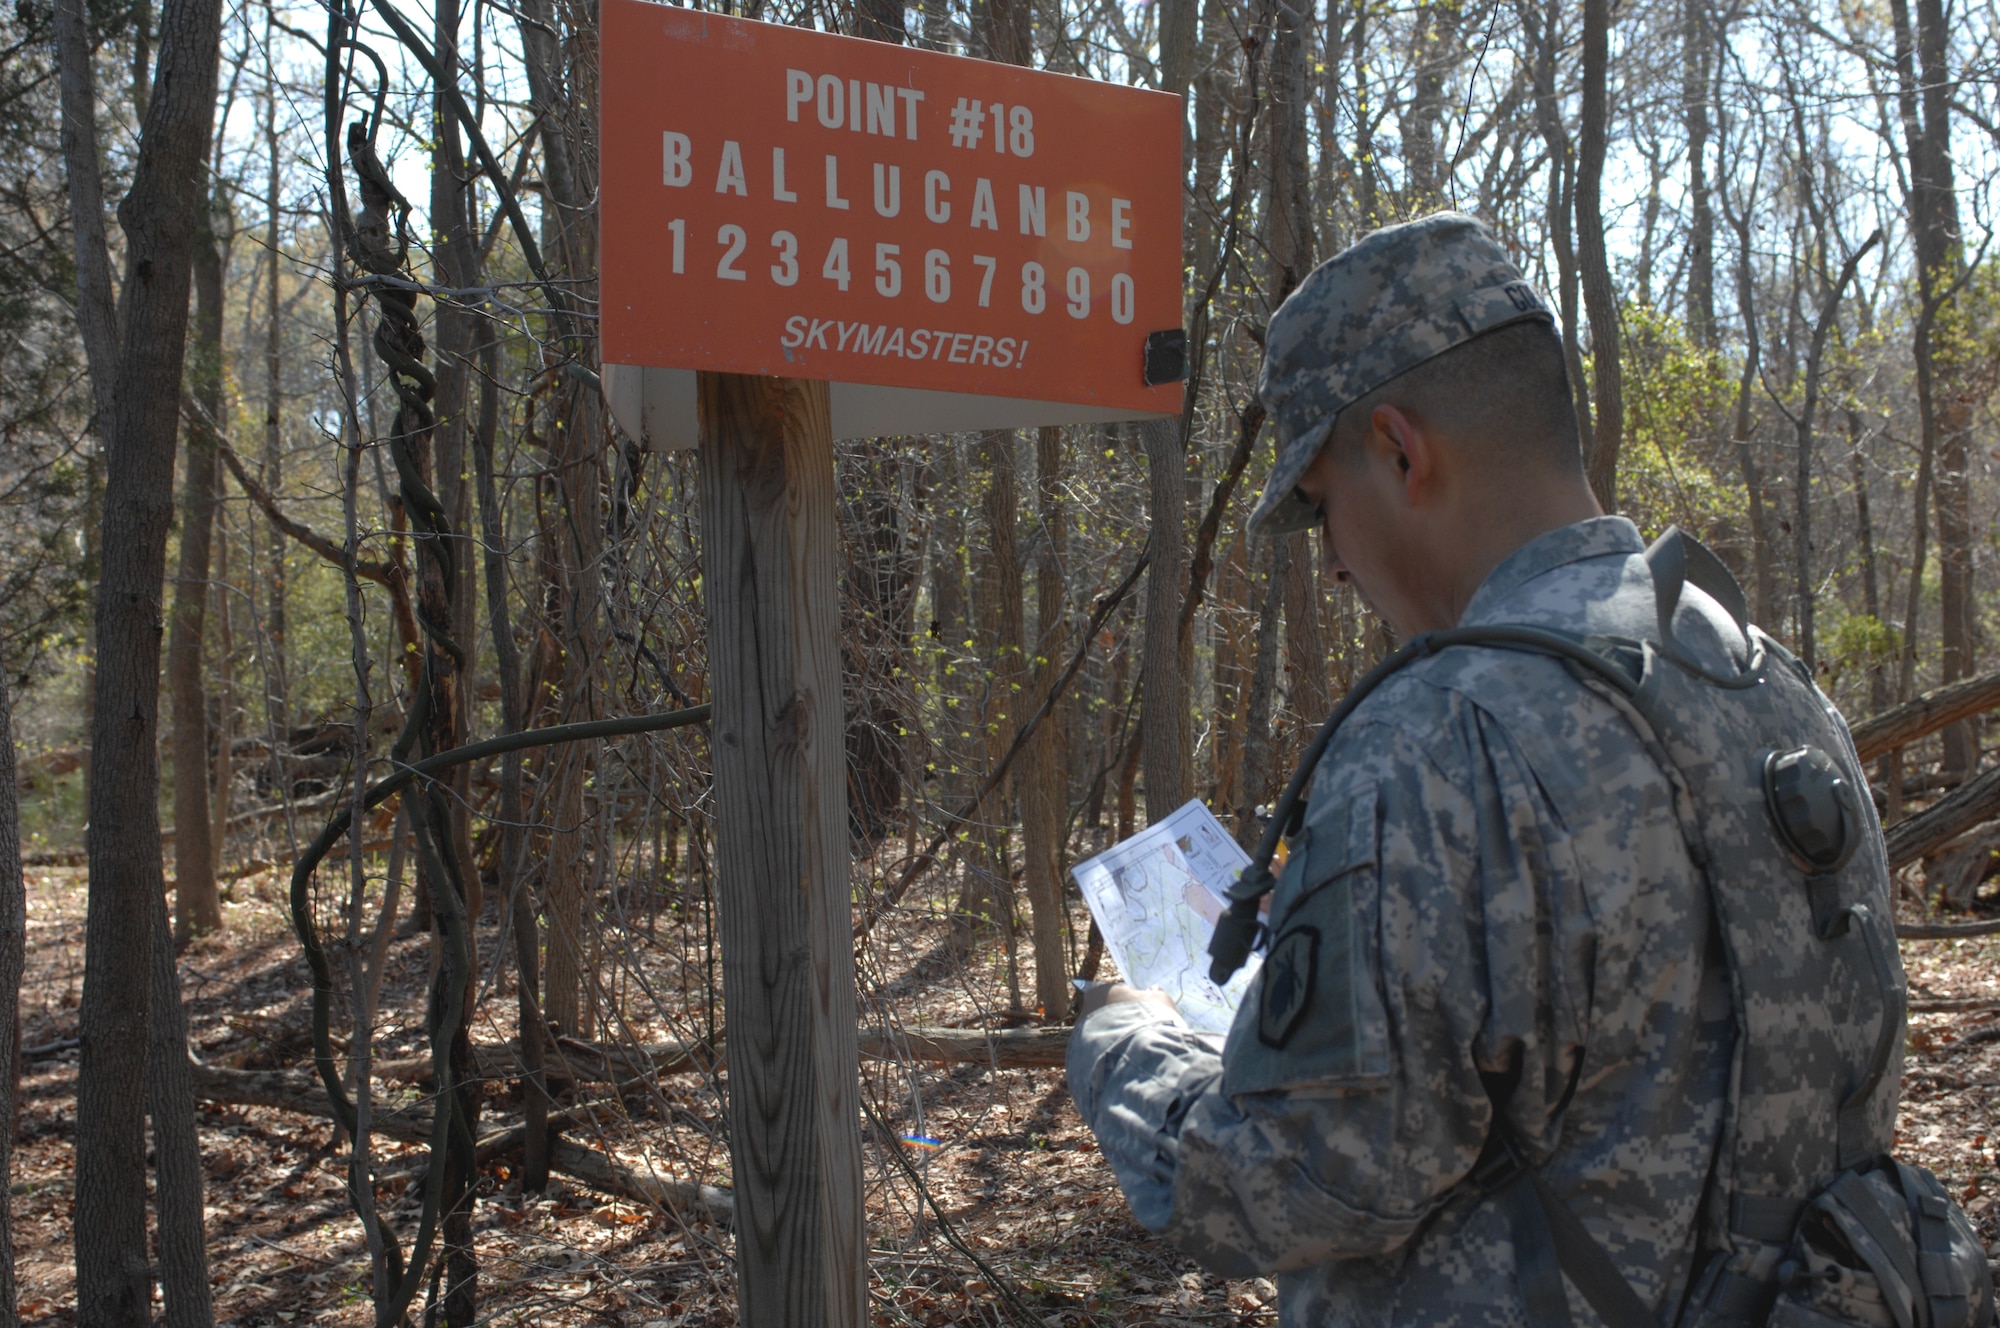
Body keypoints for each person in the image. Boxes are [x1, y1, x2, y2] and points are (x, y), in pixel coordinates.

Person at [1065, 213, 1896, 1325]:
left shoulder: (1435, 737)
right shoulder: (1764, 680)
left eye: (1321, 508)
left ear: (1401, 450)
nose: (1338, 564)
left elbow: (1278, 1185)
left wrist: (1123, 1054)